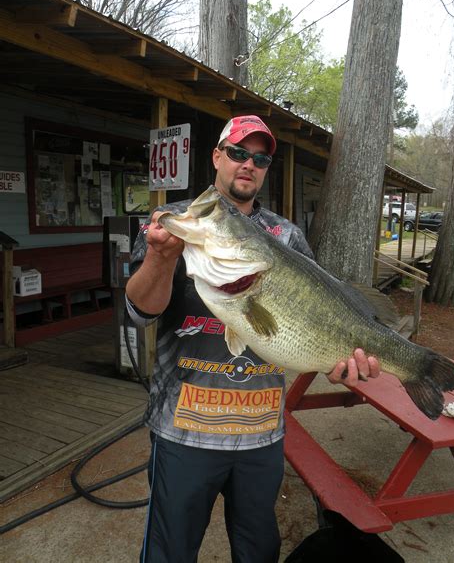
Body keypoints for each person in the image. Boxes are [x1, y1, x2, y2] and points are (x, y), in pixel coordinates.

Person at [125, 115, 380, 563]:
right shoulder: (173, 223)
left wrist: (337, 362)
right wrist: (162, 259)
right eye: (239, 152)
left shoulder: (287, 236)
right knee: (170, 552)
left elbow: (314, 322)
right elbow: (140, 312)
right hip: (185, 435)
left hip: (262, 436)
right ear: (218, 156)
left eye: (260, 158)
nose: (249, 165)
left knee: (259, 551)